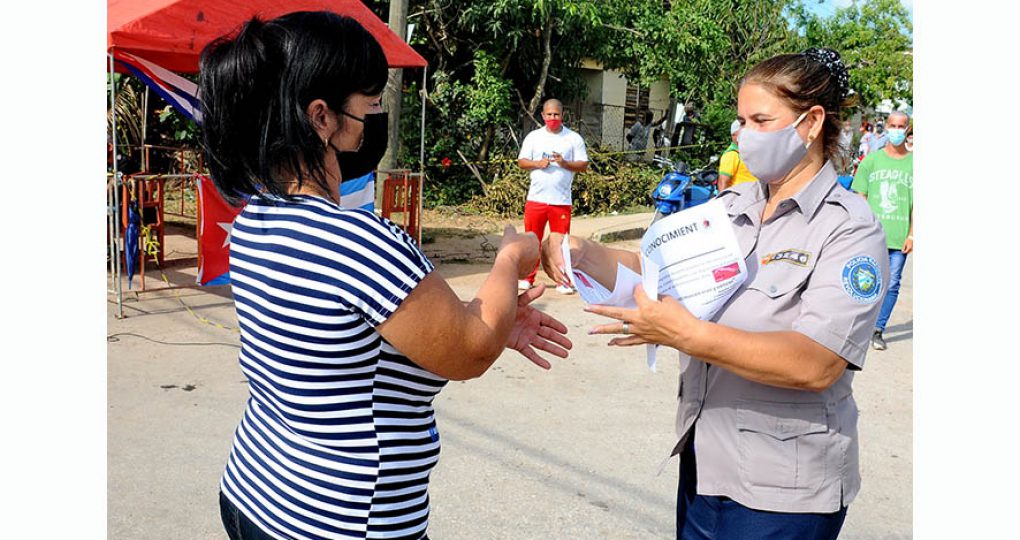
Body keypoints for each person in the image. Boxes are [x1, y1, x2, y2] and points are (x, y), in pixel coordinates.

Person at [199, 12, 573, 540]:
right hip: (340, 516)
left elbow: (343, 352)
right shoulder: (357, 240)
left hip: (256, 489)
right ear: (321, 117)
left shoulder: (256, 218)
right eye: (369, 102)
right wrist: (509, 259)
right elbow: (468, 350)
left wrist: (490, 317)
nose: (377, 114)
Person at [541, 47, 888, 539]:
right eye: (741, 119)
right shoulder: (731, 207)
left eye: (761, 120)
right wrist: (582, 250)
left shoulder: (849, 229)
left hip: (784, 492)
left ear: (811, 123)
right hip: (707, 464)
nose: (743, 134)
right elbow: (658, 272)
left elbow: (816, 363)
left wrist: (687, 335)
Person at [851, 110, 913, 351]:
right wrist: (864, 226)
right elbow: (860, 195)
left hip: (899, 237)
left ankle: (878, 329)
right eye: (893, 125)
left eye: (901, 126)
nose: (896, 130)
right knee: (864, 281)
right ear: (886, 126)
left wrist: (912, 233)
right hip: (872, 235)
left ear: (907, 129)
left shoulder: (915, 163)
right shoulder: (872, 160)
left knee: (892, 284)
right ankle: (858, 327)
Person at [517, 98, 589, 294]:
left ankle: (562, 281)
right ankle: (527, 277)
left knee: (560, 244)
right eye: (549, 115)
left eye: (556, 114)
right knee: (532, 240)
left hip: (561, 201)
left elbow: (583, 164)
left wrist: (565, 163)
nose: (552, 118)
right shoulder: (534, 137)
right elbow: (522, 162)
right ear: (543, 115)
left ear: (562, 115)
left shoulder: (573, 139)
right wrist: (537, 163)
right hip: (536, 200)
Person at [716, 119, 758, 191]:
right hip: (740, 198)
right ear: (734, 135)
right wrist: (724, 201)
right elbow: (723, 181)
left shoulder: (746, 151)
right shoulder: (731, 155)